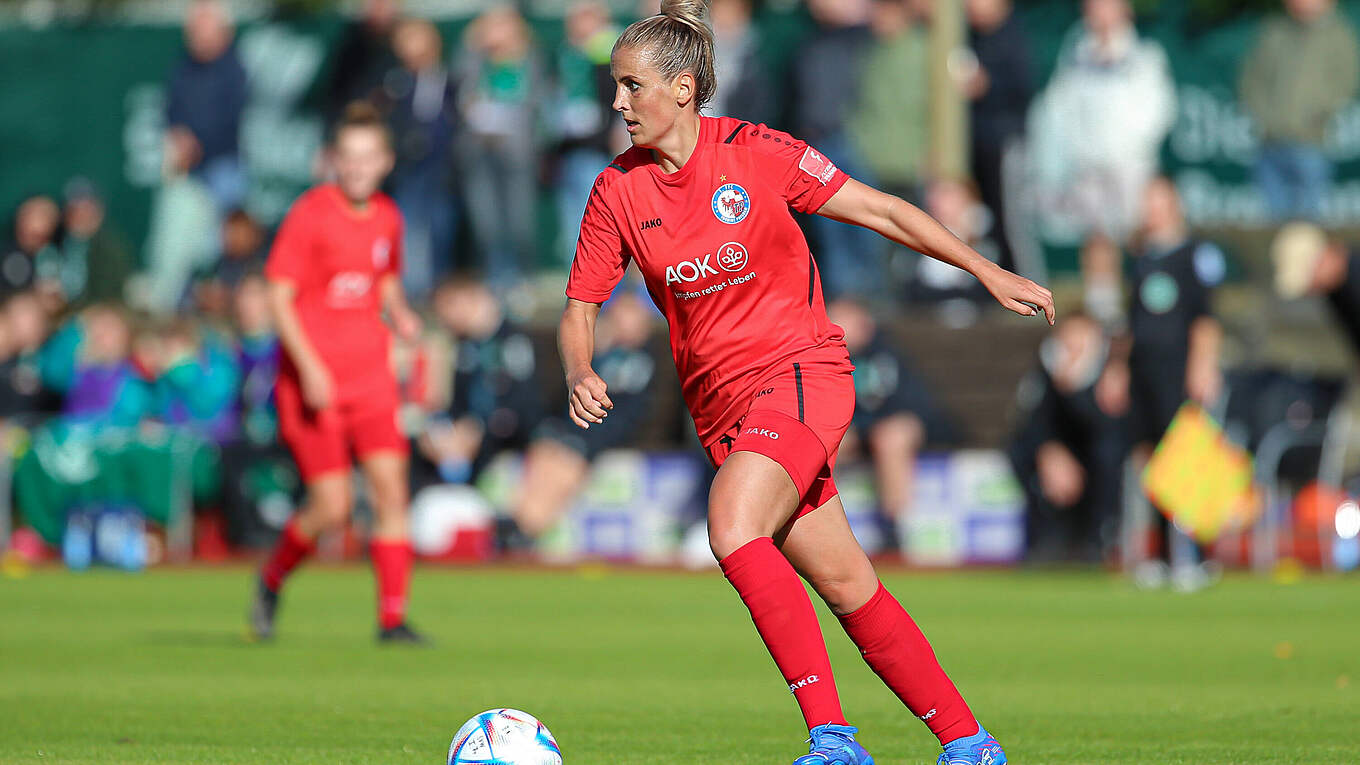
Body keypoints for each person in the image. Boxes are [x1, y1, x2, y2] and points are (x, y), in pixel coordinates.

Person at [560, 2, 1054, 763]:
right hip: (721, 410)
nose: (618, 102)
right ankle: (972, 744)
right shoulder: (616, 191)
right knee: (850, 586)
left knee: (733, 528)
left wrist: (986, 270)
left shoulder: (756, 151)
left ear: (683, 88)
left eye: (632, 86)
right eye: (615, 86)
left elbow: (881, 210)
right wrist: (579, 367)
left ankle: (833, 740)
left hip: (800, 374)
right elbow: (580, 307)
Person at [249, 102, 425, 644]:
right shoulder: (310, 213)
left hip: (371, 378)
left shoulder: (388, 216)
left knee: (391, 493)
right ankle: (272, 577)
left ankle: (392, 620)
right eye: (348, 156)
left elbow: (383, 277)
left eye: (367, 157)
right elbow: (278, 298)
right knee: (332, 507)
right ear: (334, 160)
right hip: (315, 383)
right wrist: (309, 369)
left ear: (385, 161)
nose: (357, 167)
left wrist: (401, 314)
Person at [1027, 0, 1175, 244]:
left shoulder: (1146, 56)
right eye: (1094, 5)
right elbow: (1058, 111)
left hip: (1131, 172)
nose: (1100, 11)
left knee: (1138, 241)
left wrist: (1122, 152)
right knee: (1095, 244)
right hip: (1085, 174)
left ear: (1125, 9)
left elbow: (1158, 112)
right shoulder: (1074, 55)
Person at [1009, 312, 1126, 562]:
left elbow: (1111, 429)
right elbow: (1032, 422)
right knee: (1019, 452)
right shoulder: (1045, 371)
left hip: (1095, 462)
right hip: (1059, 458)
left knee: (1108, 454)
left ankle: (1101, 537)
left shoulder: (1113, 373)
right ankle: (1046, 537)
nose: (1074, 344)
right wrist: (1049, 451)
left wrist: (1075, 391)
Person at [1240, 0, 1359, 221]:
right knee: (1272, 223)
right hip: (1270, 141)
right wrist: (1266, 117)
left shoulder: (1340, 35)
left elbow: (1345, 83)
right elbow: (1251, 80)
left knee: (1309, 224)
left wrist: (1313, 113)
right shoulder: (1274, 31)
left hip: (1311, 142)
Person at [963, 0, 1033, 272]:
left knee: (1012, 223)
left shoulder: (1015, 38)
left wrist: (987, 84)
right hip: (976, 146)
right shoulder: (968, 36)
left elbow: (1022, 88)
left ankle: (1026, 283)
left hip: (1005, 146)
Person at [165, 0, 249, 211]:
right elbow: (171, 109)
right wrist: (178, 136)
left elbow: (232, 118)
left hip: (224, 166)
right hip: (189, 169)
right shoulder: (184, 67)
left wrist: (197, 142)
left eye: (202, 27)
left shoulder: (235, 69)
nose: (195, 35)